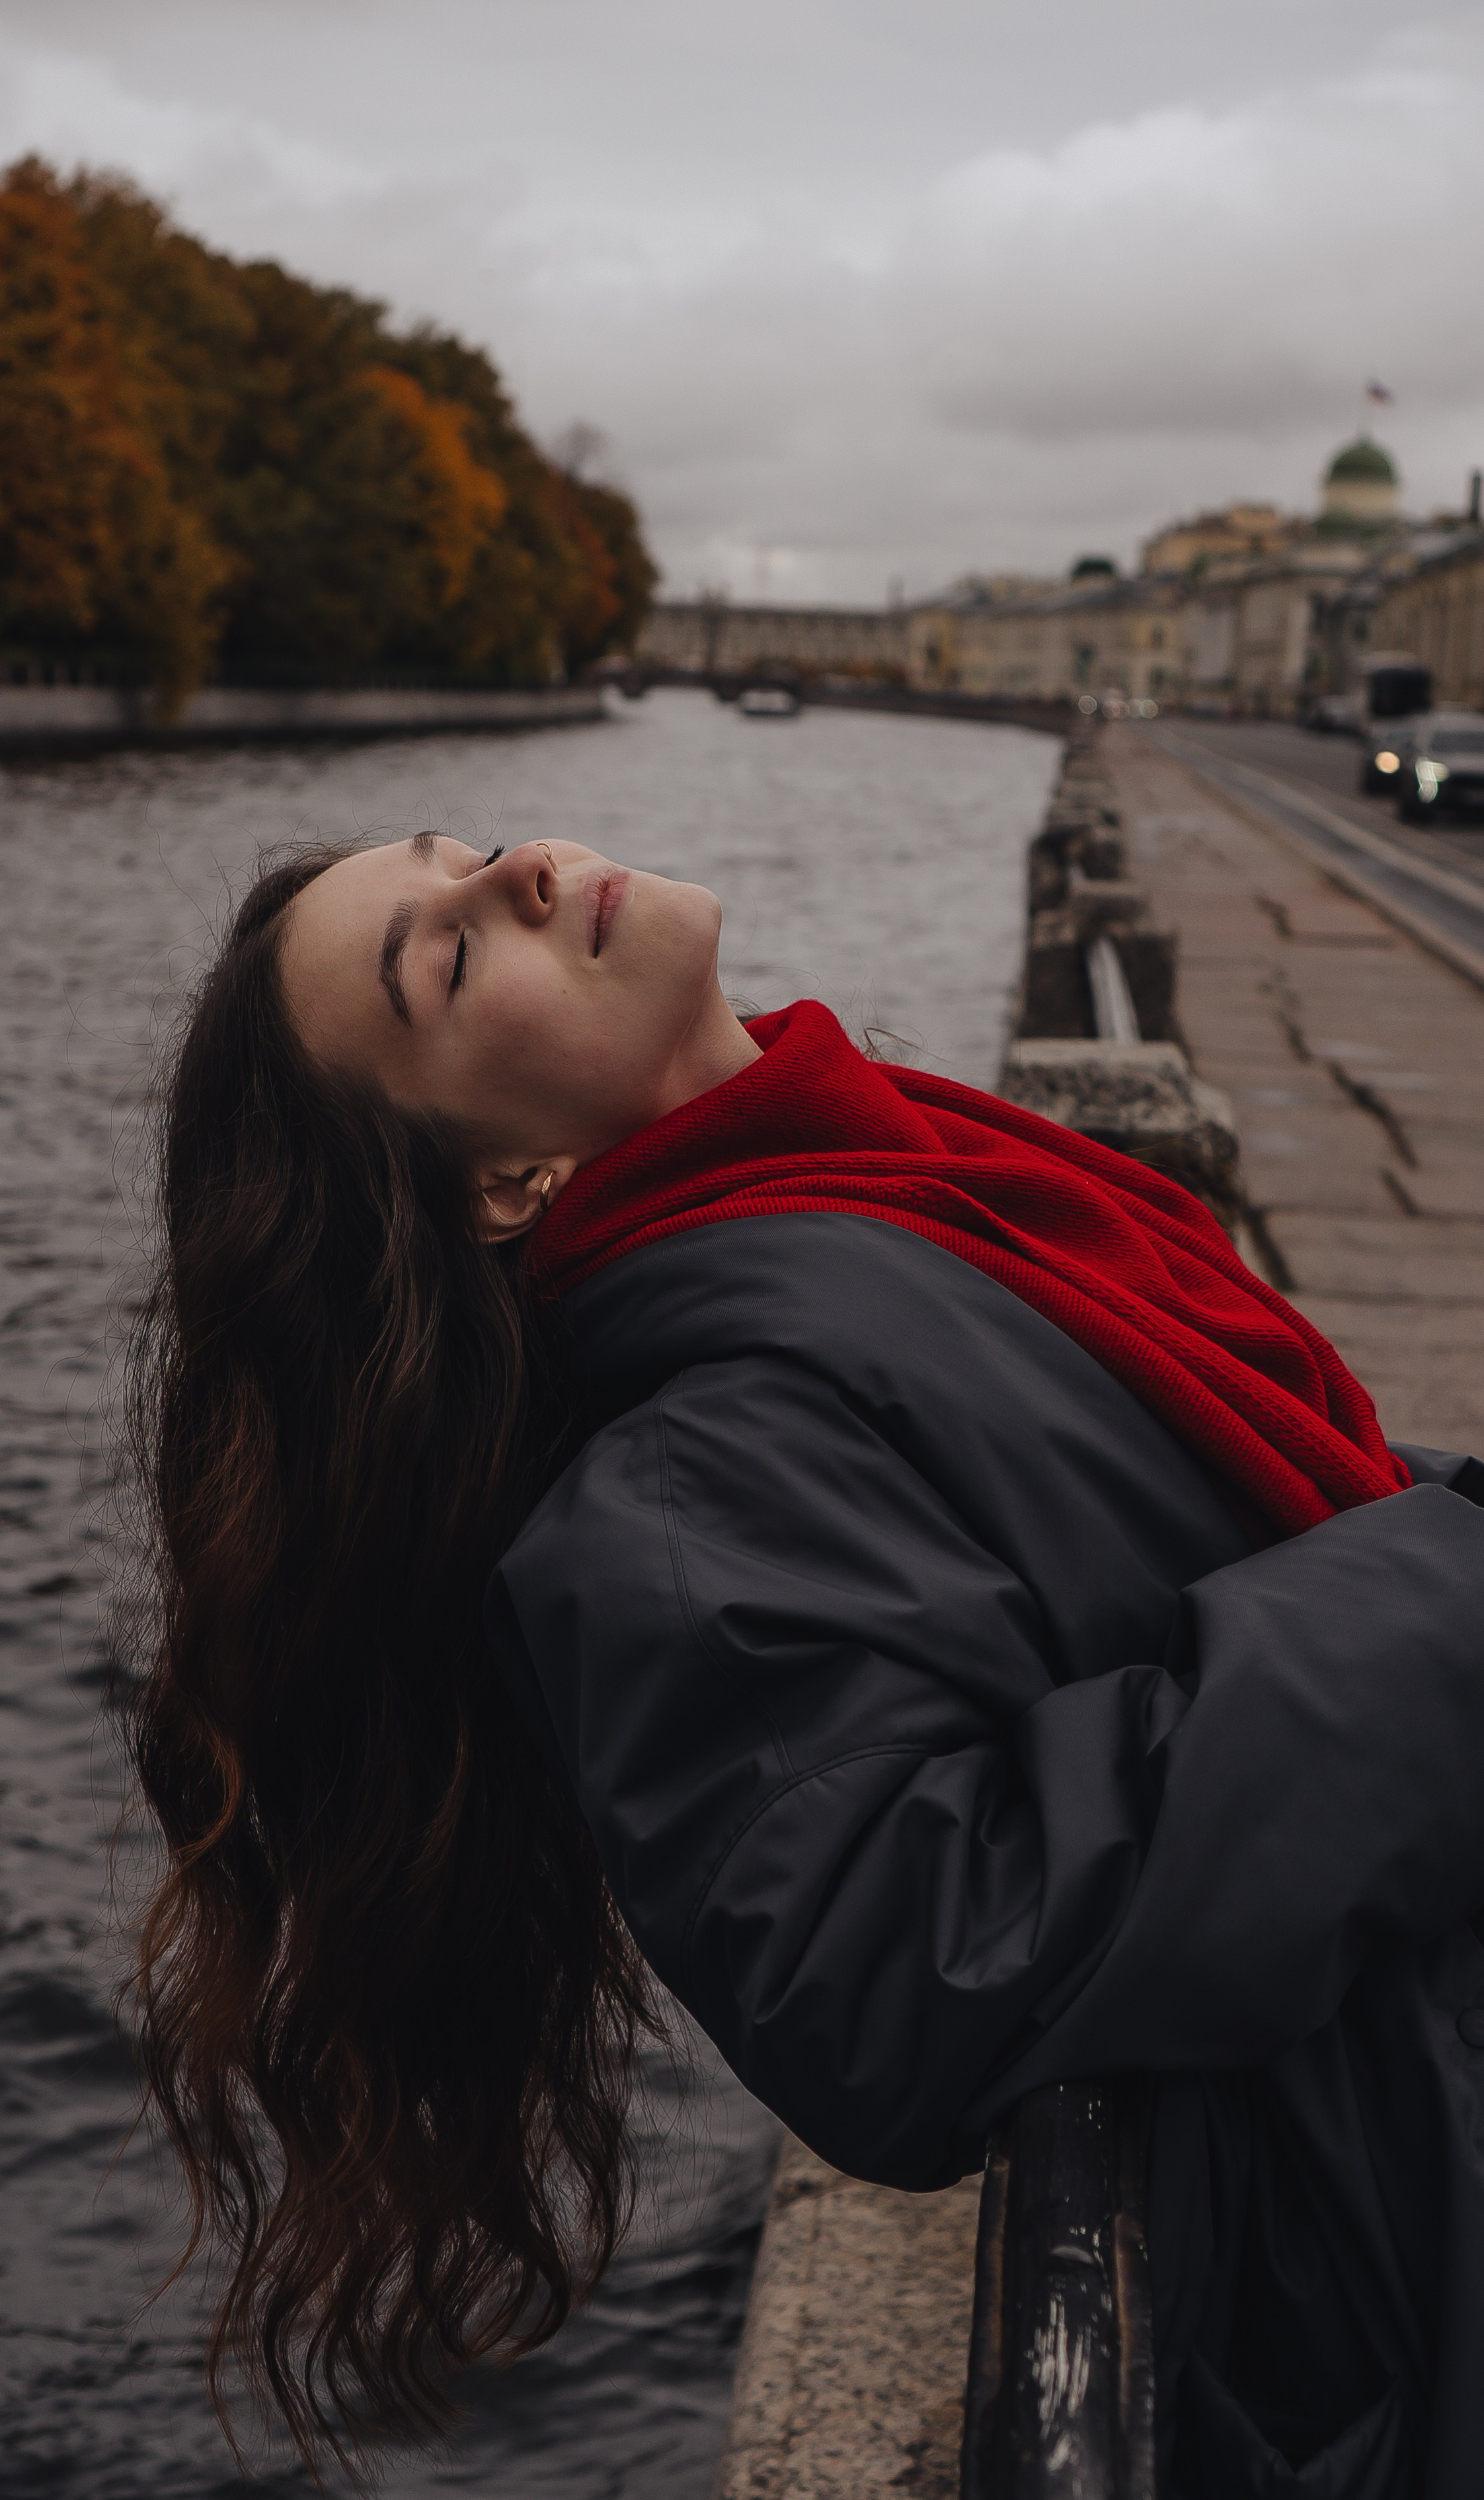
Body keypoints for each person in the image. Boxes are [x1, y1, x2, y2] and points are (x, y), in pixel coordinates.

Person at [130, 830, 1484, 2498]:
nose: (526, 879)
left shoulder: (881, 1186)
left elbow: (1218, 1520)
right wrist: (1451, 1581)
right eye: (454, 957)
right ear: (501, 1184)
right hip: (1406, 2215)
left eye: (474, 855)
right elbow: (899, 1978)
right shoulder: (680, 1496)